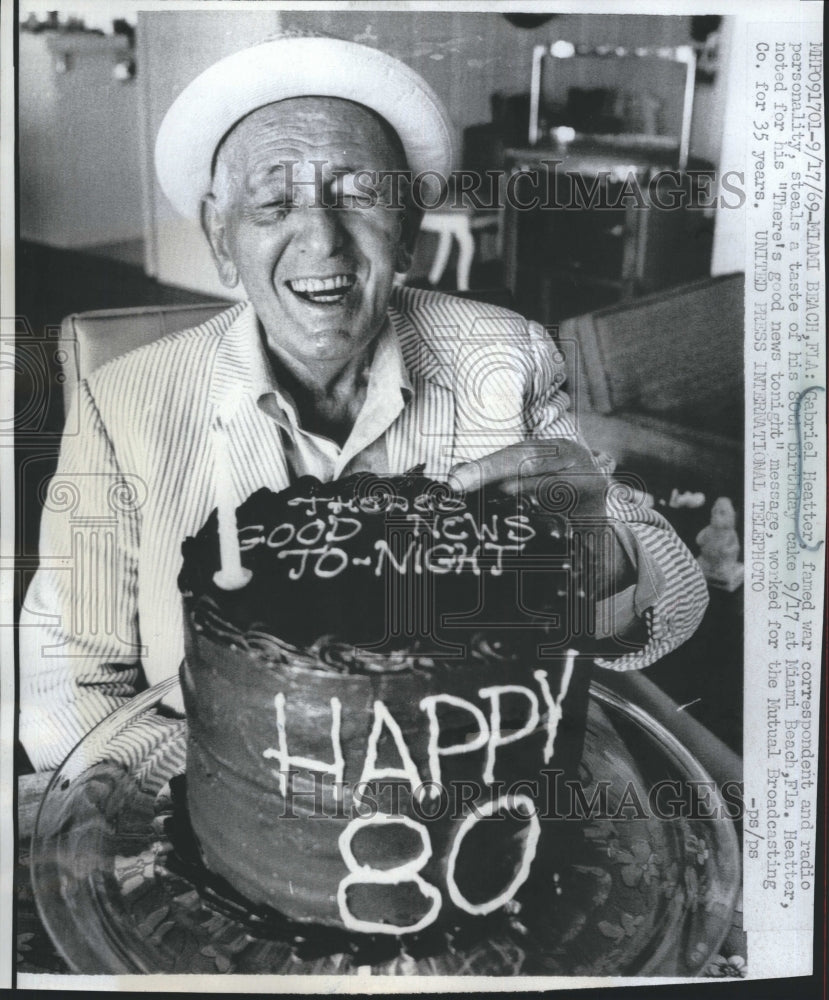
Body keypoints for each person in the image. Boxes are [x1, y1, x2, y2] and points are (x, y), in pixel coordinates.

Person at [19, 32, 708, 771]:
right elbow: (64, 683)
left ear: (407, 231)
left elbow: (674, 602)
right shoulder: (121, 405)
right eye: (275, 203)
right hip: (199, 808)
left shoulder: (505, 359)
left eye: (359, 196)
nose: (321, 238)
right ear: (223, 240)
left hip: (469, 802)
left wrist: (595, 552)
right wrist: (237, 801)